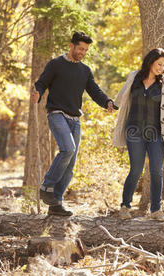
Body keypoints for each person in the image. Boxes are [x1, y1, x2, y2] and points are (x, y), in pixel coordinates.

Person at [31, 31, 115, 216]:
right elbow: (42, 82)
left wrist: (107, 102)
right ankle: (47, 187)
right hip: (57, 114)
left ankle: (56, 204)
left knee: (70, 165)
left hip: (75, 120)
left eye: (85, 50)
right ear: (71, 45)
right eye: (80, 48)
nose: (82, 53)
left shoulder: (84, 70)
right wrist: (37, 92)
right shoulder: (56, 64)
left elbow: (95, 91)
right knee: (67, 149)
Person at [112, 48, 164, 221]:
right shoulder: (135, 77)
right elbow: (122, 95)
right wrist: (112, 105)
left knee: (157, 170)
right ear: (150, 62)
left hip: (155, 132)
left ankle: (156, 210)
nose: (161, 68)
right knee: (136, 169)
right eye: (159, 64)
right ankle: (125, 207)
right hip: (134, 130)